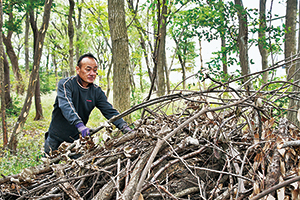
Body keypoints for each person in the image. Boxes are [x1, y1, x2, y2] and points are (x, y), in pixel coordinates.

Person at [44, 53, 132, 155]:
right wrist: (79, 124)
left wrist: (124, 127)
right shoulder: (66, 84)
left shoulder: (96, 92)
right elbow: (66, 105)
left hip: (76, 139)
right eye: (88, 69)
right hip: (56, 136)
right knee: (48, 168)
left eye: (95, 70)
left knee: (79, 167)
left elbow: (109, 111)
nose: (92, 73)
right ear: (78, 69)